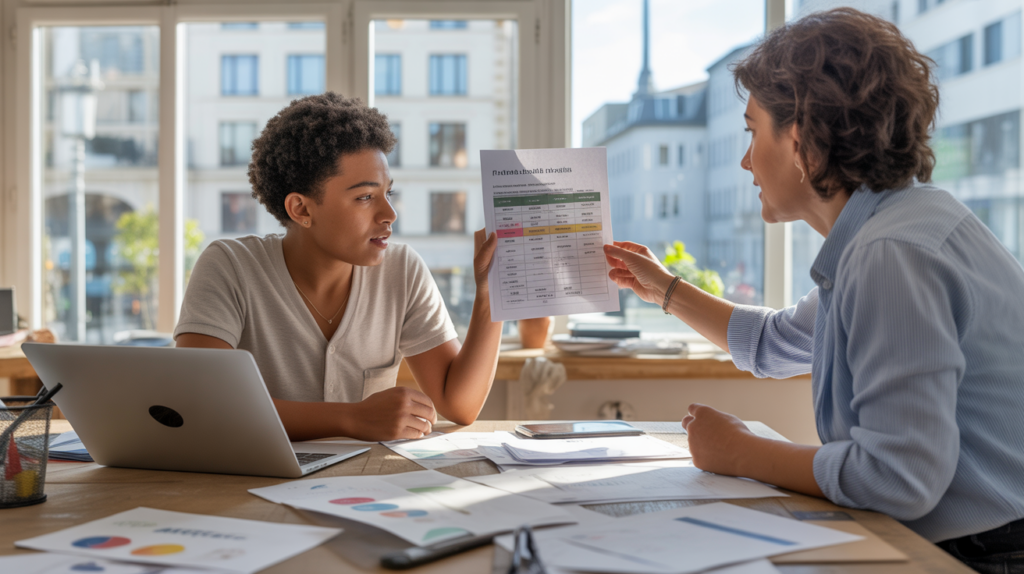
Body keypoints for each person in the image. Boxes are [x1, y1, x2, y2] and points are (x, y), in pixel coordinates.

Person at [604, 8, 1024, 572]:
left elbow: (897, 478)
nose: (745, 161)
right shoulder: (895, 225)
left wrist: (741, 452)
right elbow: (773, 344)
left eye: (752, 131)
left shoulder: (890, 254)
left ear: (802, 141)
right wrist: (663, 288)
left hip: (988, 557)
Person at [174, 93, 503, 442]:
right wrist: (352, 418)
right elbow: (200, 401)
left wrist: (492, 293)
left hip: (367, 476)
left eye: (388, 194)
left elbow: (459, 404)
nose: (389, 214)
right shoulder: (229, 267)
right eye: (365, 197)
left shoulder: (402, 271)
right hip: (254, 475)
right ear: (301, 209)